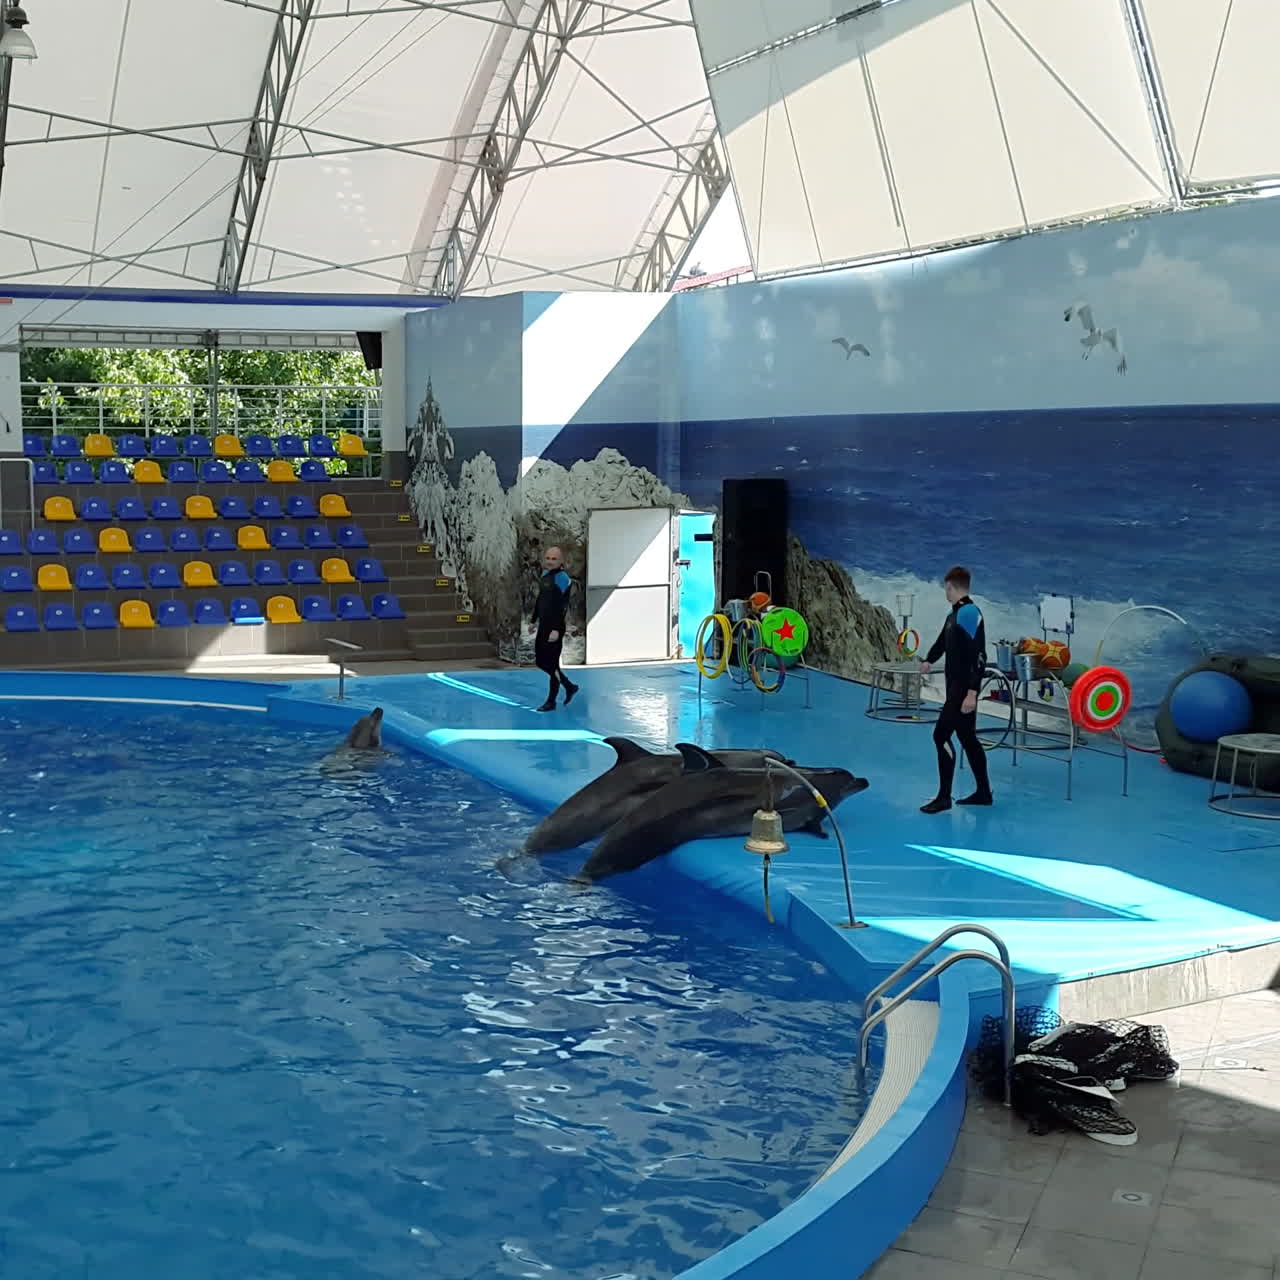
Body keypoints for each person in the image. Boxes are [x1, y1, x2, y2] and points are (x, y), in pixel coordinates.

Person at [919, 566, 992, 813]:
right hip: (954, 688)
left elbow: (980, 656)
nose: (945, 593)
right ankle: (983, 792)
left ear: (951, 586)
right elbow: (943, 641)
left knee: (940, 736)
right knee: (967, 738)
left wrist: (972, 693)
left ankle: (944, 797)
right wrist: (928, 660)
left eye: (946, 588)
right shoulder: (954, 614)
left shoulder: (970, 612)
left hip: (963, 691)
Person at [532, 545, 580, 713]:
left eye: (554, 559)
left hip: (554, 628)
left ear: (561, 561)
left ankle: (551, 701)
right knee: (540, 661)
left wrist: (556, 629)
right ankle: (569, 686)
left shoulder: (562, 578)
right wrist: (533, 620)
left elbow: (562, 607)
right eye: (548, 558)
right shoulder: (545, 575)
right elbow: (541, 600)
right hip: (543, 625)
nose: (550, 562)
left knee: (551, 664)